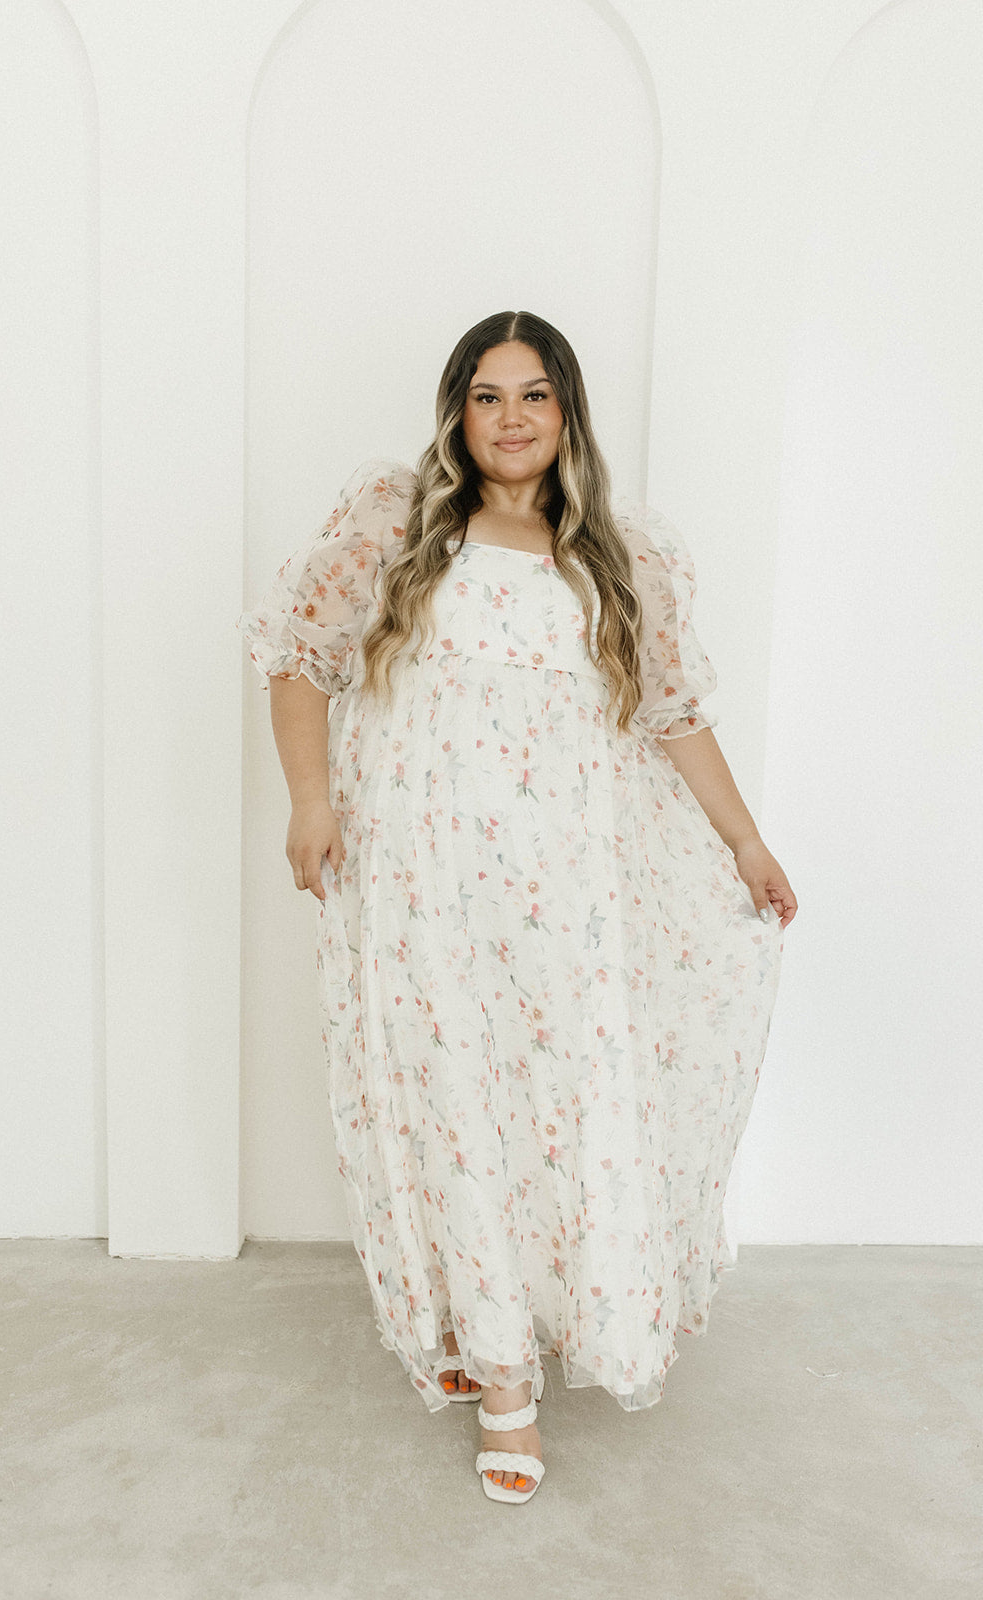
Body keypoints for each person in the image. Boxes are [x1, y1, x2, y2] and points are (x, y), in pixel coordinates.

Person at [237, 310, 796, 1506]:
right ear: (457, 412)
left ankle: (526, 1314)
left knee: (553, 1103)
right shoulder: (397, 528)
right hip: (423, 881)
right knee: (452, 1102)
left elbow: (672, 714)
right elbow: (298, 659)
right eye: (486, 396)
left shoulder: (616, 557)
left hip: (565, 894)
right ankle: (500, 1375)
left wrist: (743, 841)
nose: (510, 418)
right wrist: (309, 800)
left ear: (565, 412)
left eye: (533, 395)